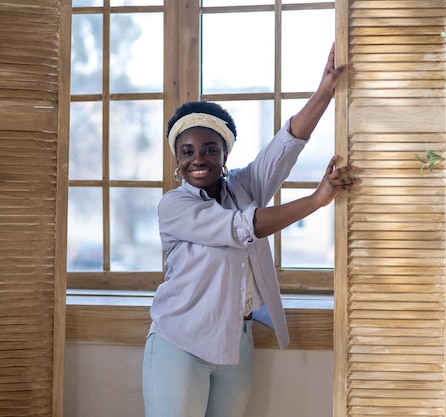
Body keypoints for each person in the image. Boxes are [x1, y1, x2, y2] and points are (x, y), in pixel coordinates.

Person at [142, 43, 359, 417]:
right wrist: (314, 201)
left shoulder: (244, 187)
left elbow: (286, 145)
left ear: (224, 156)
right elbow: (245, 226)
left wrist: (325, 91)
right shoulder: (173, 206)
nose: (198, 159)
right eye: (187, 151)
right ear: (177, 160)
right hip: (179, 342)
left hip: (235, 342)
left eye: (210, 149)